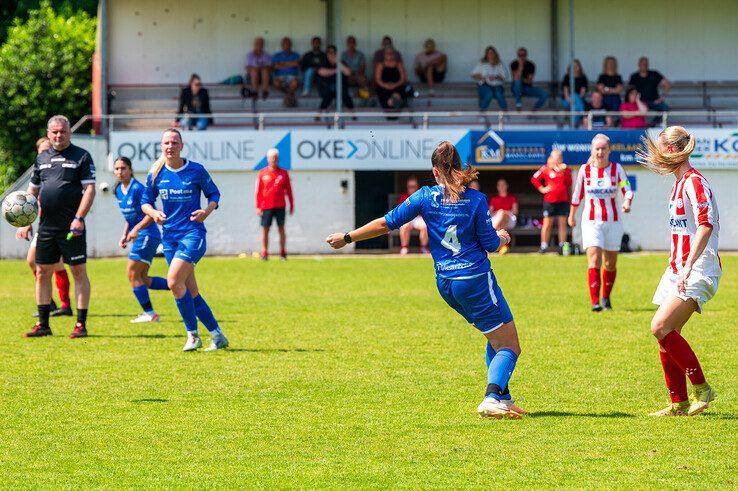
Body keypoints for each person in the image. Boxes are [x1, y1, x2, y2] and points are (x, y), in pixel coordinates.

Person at [327, 141, 525, 419]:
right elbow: (491, 243)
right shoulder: (477, 200)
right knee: (509, 345)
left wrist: (347, 237)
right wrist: (503, 237)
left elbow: (386, 223)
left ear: (434, 171)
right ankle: (492, 397)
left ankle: (503, 397)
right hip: (475, 279)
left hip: (446, 282)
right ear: (459, 168)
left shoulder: (424, 197)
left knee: (494, 335)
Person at [638, 126, 719, 417]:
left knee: (659, 326)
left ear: (672, 150)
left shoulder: (695, 182)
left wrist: (688, 266)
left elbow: (706, 224)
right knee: (666, 333)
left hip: (697, 268)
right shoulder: (677, 183)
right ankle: (679, 403)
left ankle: (703, 389)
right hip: (677, 269)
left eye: (660, 148)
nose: (656, 154)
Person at [141, 128, 228, 351]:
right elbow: (145, 202)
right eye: (166, 143)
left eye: (174, 142)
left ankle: (192, 335)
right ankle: (217, 335)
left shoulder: (196, 170)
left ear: (181, 146)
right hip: (169, 238)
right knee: (190, 291)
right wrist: (153, 214)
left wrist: (206, 211)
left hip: (193, 235)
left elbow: (214, 195)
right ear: (161, 147)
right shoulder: (155, 173)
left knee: (173, 282)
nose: (170, 146)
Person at [23, 115, 96, 338]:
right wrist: (25, 221)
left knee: (78, 272)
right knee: (42, 272)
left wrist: (79, 218)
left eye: (62, 131)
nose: (58, 135)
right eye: (54, 132)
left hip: (72, 227)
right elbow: (31, 191)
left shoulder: (81, 156)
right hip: (46, 228)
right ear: (48, 133)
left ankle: (80, 325)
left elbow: (90, 190)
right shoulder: (41, 158)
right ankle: (44, 325)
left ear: (69, 132)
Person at [568, 134, 634, 312]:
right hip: (591, 222)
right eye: (597, 149)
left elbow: (627, 189)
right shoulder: (585, 170)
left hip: (613, 222)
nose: (600, 152)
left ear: (609, 150)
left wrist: (627, 202)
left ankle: (606, 297)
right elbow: (577, 195)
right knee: (594, 258)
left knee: (610, 263)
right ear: (592, 150)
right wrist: (572, 215)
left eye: (603, 148)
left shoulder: (617, 169)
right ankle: (595, 302)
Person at [16, 137, 72, 318]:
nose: (45, 153)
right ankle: (50, 302)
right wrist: (26, 222)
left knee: (56, 264)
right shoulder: (39, 172)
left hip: (59, 225)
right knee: (32, 261)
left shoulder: (58, 170)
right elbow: (30, 201)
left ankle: (64, 305)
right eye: (42, 151)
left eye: (48, 150)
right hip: (44, 225)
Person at [113, 157, 169, 323]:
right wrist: (125, 233)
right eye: (117, 169)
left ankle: (150, 314)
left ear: (130, 170)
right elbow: (130, 217)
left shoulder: (138, 188)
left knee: (132, 274)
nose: (120, 172)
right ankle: (178, 284)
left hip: (148, 235)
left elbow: (150, 214)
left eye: (123, 168)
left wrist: (136, 229)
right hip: (140, 235)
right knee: (143, 279)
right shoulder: (118, 190)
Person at [255, 148, 294, 261]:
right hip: (266, 206)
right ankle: (265, 253)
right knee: (265, 229)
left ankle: (282, 253)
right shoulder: (262, 173)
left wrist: (291, 205)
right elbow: (258, 192)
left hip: (280, 205)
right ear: (268, 159)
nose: (273, 160)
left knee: (281, 228)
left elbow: (289, 191)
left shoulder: (284, 173)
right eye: (272, 158)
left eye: (275, 158)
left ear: (278, 159)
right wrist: (258, 206)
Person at [531, 150, 572, 254]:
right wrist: (542, 189)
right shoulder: (546, 168)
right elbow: (534, 179)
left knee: (562, 223)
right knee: (547, 223)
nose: (558, 160)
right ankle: (544, 246)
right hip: (550, 201)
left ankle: (562, 246)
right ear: (552, 158)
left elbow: (569, 183)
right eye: (556, 157)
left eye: (560, 157)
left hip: (562, 200)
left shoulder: (565, 169)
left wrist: (564, 172)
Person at [629, 56, 671, 123]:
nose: (644, 65)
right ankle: (639, 125)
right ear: (639, 64)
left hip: (654, 101)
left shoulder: (654, 74)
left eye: (646, 64)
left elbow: (667, 84)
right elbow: (630, 90)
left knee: (665, 108)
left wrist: (662, 97)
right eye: (643, 64)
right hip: (640, 102)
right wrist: (636, 100)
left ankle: (653, 124)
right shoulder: (634, 76)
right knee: (630, 109)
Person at [316, 45, 354, 115]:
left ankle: (353, 114)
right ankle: (319, 114)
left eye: (334, 52)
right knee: (328, 95)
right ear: (327, 54)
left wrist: (337, 62)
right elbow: (321, 72)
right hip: (326, 87)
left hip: (340, 88)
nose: (332, 54)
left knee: (345, 96)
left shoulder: (341, 62)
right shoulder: (323, 62)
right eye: (329, 53)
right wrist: (336, 70)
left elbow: (348, 72)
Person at [397, 177, 429, 255]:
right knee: (404, 226)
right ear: (407, 187)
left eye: (414, 186)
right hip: (407, 218)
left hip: (419, 218)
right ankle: (404, 247)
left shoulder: (422, 196)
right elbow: (400, 212)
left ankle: (424, 247)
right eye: (410, 186)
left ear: (417, 187)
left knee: (425, 226)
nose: (412, 188)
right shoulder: (403, 197)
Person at [471, 46, 508, 111]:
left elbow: (504, 76)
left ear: (495, 54)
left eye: (492, 53)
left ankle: (505, 112)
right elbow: (473, 75)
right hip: (484, 85)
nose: (490, 55)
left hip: (497, 85)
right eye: (489, 53)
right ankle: (482, 113)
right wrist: (482, 77)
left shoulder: (500, 63)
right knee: (489, 94)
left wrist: (495, 77)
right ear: (486, 54)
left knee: (499, 94)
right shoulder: (482, 63)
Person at [272, 37, 301, 107]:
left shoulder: (295, 54)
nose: (286, 45)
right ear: (282, 45)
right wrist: (290, 64)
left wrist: (282, 64)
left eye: (288, 44)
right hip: (280, 76)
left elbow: (296, 64)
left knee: (295, 83)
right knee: (276, 83)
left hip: (292, 76)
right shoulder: (277, 55)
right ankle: (290, 94)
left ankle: (287, 95)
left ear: (291, 45)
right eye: (284, 44)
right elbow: (275, 66)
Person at [561, 59, 588, 127]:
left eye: (576, 66)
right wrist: (569, 99)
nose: (575, 68)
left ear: (579, 67)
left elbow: (582, 92)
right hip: (566, 100)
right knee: (574, 96)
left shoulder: (583, 78)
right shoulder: (566, 77)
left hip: (579, 100)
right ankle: (583, 114)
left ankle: (573, 125)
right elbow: (565, 91)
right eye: (573, 66)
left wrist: (575, 100)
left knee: (575, 102)